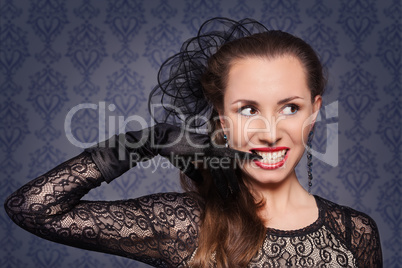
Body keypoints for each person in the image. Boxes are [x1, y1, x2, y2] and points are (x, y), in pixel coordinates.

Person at [4, 18, 382, 267]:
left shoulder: (354, 232)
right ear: (221, 118)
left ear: (314, 113)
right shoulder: (185, 225)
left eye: (290, 108)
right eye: (248, 109)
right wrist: (150, 140)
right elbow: (33, 208)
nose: (269, 132)